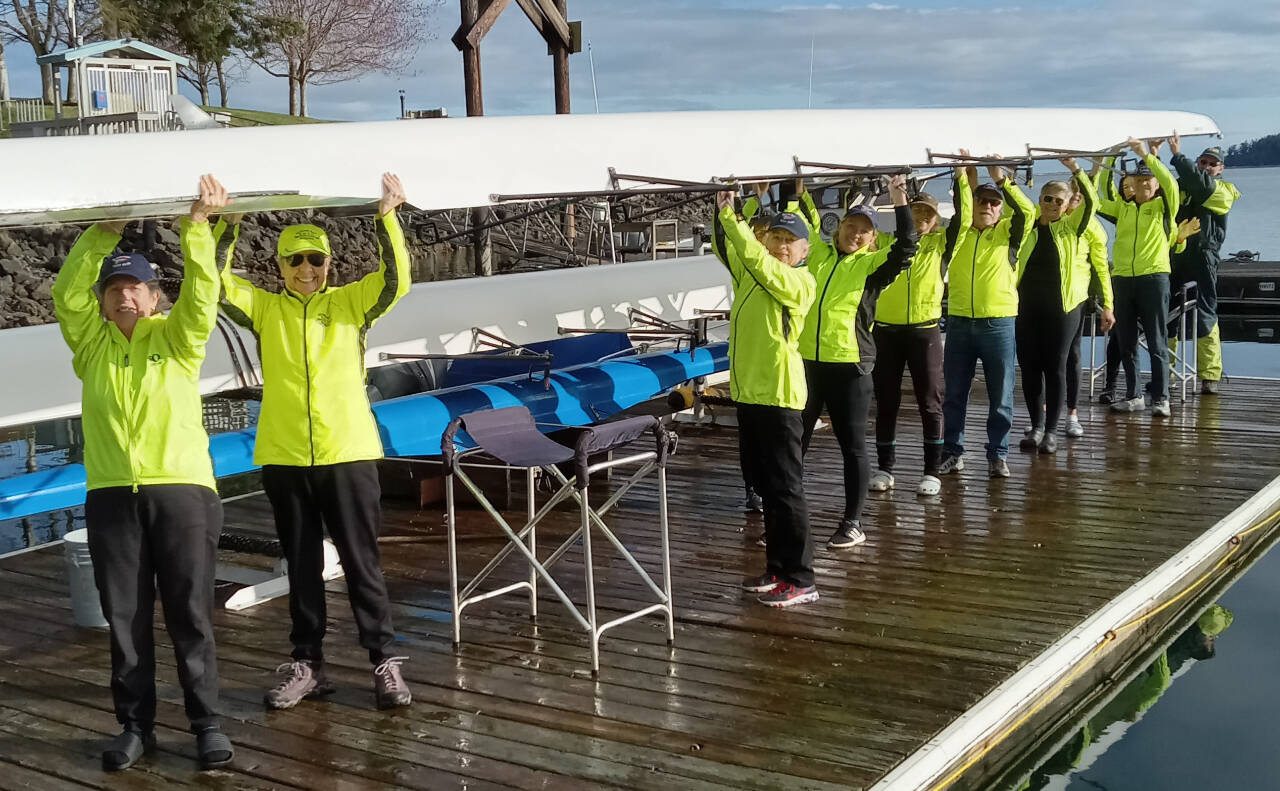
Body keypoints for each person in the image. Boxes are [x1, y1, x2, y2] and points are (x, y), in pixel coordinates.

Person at [52, 175, 234, 771]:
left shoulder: (179, 340)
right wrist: (102, 231)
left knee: (189, 612)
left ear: (156, 297)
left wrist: (197, 229)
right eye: (115, 289)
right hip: (112, 495)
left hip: (181, 490)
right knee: (125, 620)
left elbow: (203, 297)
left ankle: (206, 723)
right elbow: (65, 295)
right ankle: (135, 726)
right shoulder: (91, 346)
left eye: (136, 288)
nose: (124, 297)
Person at [219, 173, 414, 709]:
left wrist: (386, 218)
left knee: (362, 560)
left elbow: (396, 282)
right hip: (284, 455)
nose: (306, 269)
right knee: (300, 563)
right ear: (279, 267)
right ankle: (308, 666)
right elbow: (214, 283)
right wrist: (227, 227)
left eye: (315, 260)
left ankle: (383, 663)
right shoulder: (264, 310)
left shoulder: (353, 304)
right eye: (295, 261)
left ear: (329, 264)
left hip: (347, 451)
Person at [795, 174, 918, 547]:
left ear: (872, 238)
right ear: (840, 227)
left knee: (852, 446)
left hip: (850, 367)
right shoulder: (817, 253)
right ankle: (786, 517)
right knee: (794, 442)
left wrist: (900, 200)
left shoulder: (872, 266)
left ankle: (852, 522)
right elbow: (801, 216)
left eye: (864, 230)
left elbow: (907, 247)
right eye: (851, 225)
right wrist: (796, 187)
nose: (856, 233)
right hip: (807, 364)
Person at [713, 190, 817, 608]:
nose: (780, 246)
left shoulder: (798, 281)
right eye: (775, 238)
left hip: (779, 396)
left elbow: (749, 255)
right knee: (769, 490)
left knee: (787, 489)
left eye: (789, 241)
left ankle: (801, 578)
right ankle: (777, 569)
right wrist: (721, 211)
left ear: (804, 250)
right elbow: (731, 250)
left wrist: (733, 220)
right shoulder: (754, 275)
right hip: (751, 395)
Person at [870, 159, 972, 496]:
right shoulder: (886, 243)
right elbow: (852, 222)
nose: (921, 220)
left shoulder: (942, 247)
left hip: (924, 332)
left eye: (928, 216)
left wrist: (960, 177)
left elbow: (965, 218)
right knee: (887, 401)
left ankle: (931, 471)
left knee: (930, 401)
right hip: (885, 330)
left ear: (936, 222)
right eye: (915, 213)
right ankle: (885, 468)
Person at [939, 156, 1036, 479]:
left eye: (995, 203)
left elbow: (1028, 211)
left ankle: (998, 453)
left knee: (1001, 394)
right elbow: (961, 206)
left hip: (999, 324)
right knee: (954, 393)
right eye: (983, 200)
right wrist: (962, 177)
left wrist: (1003, 180)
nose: (988, 206)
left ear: (1000, 208)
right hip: (960, 322)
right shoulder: (961, 232)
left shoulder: (1010, 234)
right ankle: (953, 451)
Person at [1015, 159, 1114, 454]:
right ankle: (1035, 426)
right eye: (1047, 198)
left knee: (1058, 365)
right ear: (1040, 200)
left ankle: (1054, 429)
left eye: (1060, 200)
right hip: (1027, 306)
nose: (1053, 204)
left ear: (1070, 203)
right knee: (1030, 367)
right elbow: (1014, 200)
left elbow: (1092, 203)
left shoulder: (1075, 228)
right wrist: (1001, 176)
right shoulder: (1028, 226)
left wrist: (1076, 169)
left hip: (1066, 306)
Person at [1094, 138, 1181, 416]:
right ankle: (1133, 395)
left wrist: (1146, 154)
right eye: (1137, 180)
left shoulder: (1163, 208)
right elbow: (1095, 199)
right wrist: (1107, 160)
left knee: (1157, 340)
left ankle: (1161, 398)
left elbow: (1171, 184)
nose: (1143, 185)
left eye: (1148, 181)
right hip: (1122, 279)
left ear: (1155, 185)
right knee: (1126, 341)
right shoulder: (1123, 209)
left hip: (1153, 277)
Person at [1167, 133, 1241, 394]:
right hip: (1176, 253)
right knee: (1169, 315)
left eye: (1213, 164)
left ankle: (1210, 375)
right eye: (1203, 162)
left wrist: (1177, 156)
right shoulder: (1181, 185)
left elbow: (1202, 187)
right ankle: (1167, 372)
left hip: (1204, 257)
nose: (1207, 167)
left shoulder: (1223, 190)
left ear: (1220, 169)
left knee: (1206, 314)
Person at [1062, 169, 1114, 436]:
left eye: (1081, 196)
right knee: (1046, 358)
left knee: (1072, 355)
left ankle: (1072, 413)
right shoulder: (1050, 220)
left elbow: (1102, 267)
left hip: (1077, 299)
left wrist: (1108, 304)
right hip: (1045, 299)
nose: (1077, 200)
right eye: (1073, 196)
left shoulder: (1092, 227)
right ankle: (1045, 414)